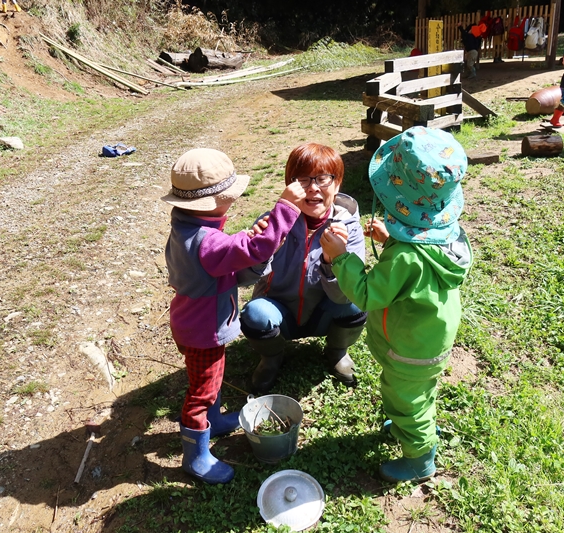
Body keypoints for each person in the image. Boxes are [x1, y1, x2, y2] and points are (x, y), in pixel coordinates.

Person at [319, 126, 473, 483]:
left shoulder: (405, 257)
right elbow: (418, 268)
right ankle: (411, 425)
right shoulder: (446, 237)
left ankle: (420, 458)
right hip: (428, 338)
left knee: (408, 403)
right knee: (415, 391)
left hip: (410, 347)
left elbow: (367, 293)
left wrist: (340, 257)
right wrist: (391, 238)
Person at [162, 148, 304, 484]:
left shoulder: (184, 229)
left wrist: (248, 240)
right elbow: (245, 250)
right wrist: (284, 210)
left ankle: (213, 420)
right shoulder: (208, 243)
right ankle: (195, 456)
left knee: (210, 380)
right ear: (213, 203)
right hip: (204, 333)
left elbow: (225, 259)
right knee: (200, 394)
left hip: (190, 322)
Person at [239, 143, 367, 395]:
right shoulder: (271, 224)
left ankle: (337, 351)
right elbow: (242, 279)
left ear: (337, 184)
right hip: (280, 315)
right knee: (254, 314)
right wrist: (262, 252)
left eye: (323, 178)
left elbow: (346, 295)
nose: (313, 188)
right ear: (289, 185)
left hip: (324, 314)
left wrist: (333, 261)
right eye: (302, 179)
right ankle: (272, 357)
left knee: (358, 301)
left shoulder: (348, 228)